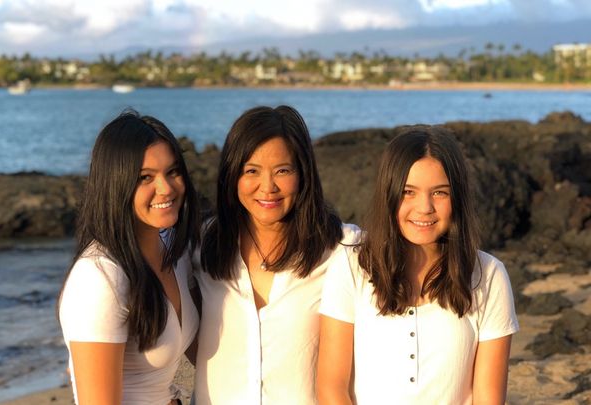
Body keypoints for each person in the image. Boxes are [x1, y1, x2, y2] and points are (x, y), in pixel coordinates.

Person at [316, 125, 519, 405]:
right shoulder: (352, 266)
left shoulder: (489, 275)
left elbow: (488, 399)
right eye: (408, 192)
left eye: (440, 193)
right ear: (389, 194)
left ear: (458, 197)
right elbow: (332, 389)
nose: (424, 207)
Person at [193, 105, 361, 404]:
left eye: (283, 171)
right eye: (251, 171)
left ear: (303, 173)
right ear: (232, 176)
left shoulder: (342, 248)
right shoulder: (202, 245)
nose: (267, 187)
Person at [58, 110, 200, 404]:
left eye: (173, 172)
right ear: (116, 184)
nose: (166, 188)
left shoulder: (176, 254)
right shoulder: (99, 278)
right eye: (145, 177)